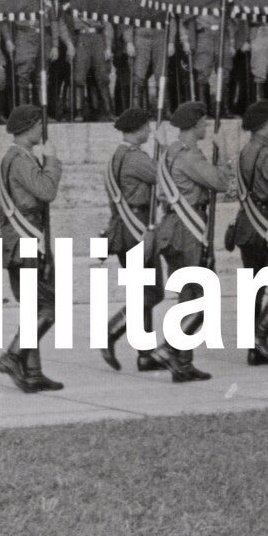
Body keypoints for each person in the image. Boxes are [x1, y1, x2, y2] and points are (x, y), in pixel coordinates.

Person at [148, 100, 231, 382]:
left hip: (173, 227)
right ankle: (170, 348)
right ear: (194, 126)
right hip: (189, 228)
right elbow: (221, 182)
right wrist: (224, 152)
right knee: (203, 299)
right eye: (204, 123)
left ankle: (183, 364)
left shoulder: (171, 153)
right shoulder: (190, 156)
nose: (206, 127)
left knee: (188, 297)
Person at [0, 104, 63, 393]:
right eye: (38, 125)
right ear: (27, 128)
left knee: (33, 309)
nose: (41, 130)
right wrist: (51, 162)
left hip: (22, 241)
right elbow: (46, 191)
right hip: (25, 242)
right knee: (48, 308)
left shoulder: (16, 157)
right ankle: (12, 355)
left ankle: (33, 372)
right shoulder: (21, 160)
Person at [99, 106, 162, 370]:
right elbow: (164, 177)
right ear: (137, 131)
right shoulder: (135, 158)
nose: (149, 130)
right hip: (137, 229)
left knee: (142, 291)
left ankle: (145, 355)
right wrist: (167, 151)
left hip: (126, 228)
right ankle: (111, 331)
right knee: (152, 292)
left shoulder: (119, 155)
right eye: (146, 127)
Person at [232, 99, 268, 366]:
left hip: (249, 225)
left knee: (254, 290)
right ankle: (258, 338)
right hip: (261, 227)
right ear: (264, 125)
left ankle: (254, 347)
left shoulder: (248, 150)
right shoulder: (265, 153)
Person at [67, 13, 114, 119]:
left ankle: (107, 111)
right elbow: (67, 25)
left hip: (98, 38)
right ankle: (78, 111)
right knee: (79, 76)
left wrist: (108, 46)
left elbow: (108, 25)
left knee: (103, 76)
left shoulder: (97, 2)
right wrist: (69, 44)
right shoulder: (74, 4)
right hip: (80, 38)